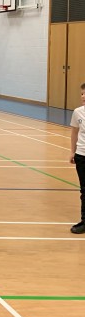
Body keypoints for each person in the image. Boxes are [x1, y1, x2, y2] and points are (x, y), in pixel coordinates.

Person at [69, 83, 85, 234]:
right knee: (84, 190)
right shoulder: (77, 112)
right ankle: (84, 221)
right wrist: (72, 152)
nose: (83, 96)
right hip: (81, 155)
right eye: (82, 93)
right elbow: (74, 133)